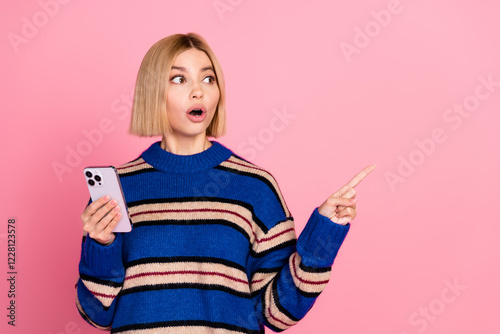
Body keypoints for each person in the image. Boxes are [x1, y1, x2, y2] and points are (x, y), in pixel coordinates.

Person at [75, 32, 375, 334]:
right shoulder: (117, 191)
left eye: (208, 79)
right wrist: (101, 246)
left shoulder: (255, 186)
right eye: (179, 80)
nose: (198, 92)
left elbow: (277, 314)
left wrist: (321, 238)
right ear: (152, 91)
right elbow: (99, 315)